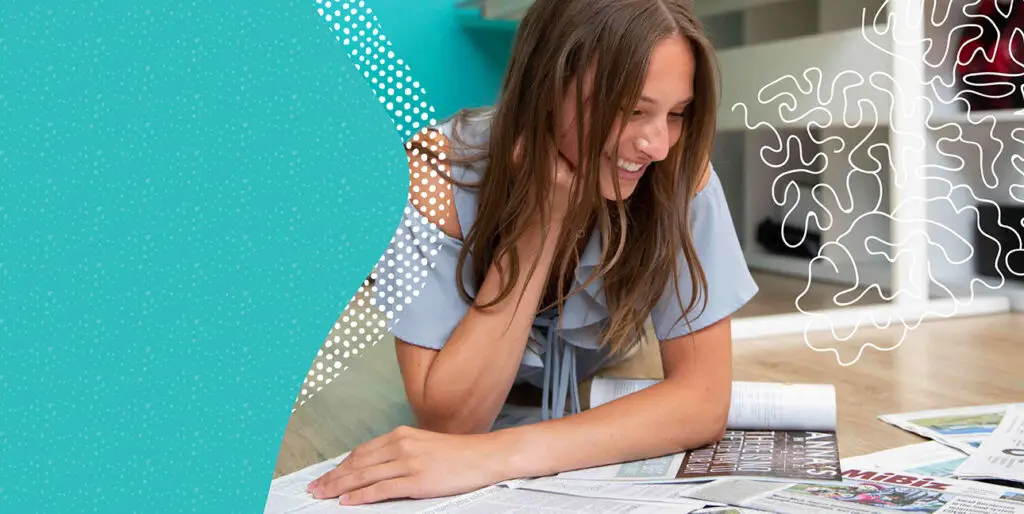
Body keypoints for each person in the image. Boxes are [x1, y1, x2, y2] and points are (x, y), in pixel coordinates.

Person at [308, 0, 757, 505]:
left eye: (676, 113)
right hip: (474, 373)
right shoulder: (433, 172)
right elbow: (451, 421)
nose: (657, 144)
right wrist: (540, 225)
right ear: (547, 87)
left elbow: (701, 399)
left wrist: (500, 455)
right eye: (632, 109)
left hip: (598, 370)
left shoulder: (679, 167)